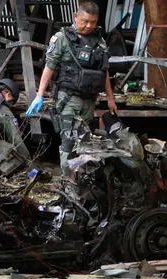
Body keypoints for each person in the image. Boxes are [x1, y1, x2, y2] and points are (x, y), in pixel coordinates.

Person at [26, 1, 118, 176]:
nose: (89, 26)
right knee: (68, 142)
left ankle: (82, 182)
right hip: (68, 98)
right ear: (75, 17)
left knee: (86, 142)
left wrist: (110, 99)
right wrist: (39, 95)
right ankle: (67, 183)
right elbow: (50, 66)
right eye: (84, 21)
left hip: (90, 100)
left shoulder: (99, 41)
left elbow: (104, 72)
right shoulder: (62, 38)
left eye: (93, 22)